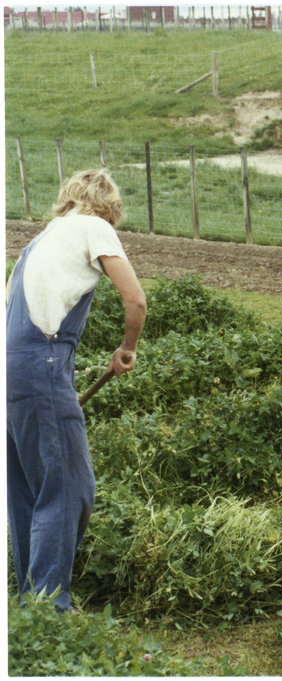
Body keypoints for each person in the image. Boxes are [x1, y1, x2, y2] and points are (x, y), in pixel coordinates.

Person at [7, 168, 147, 611]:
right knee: (68, 487)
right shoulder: (94, 227)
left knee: (28, 486)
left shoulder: (40, 239)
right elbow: (136, 299)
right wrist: (127, 348)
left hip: (11, 369)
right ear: (108, 206)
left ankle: (31, 597)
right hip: (41, 366)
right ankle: (50, 606)